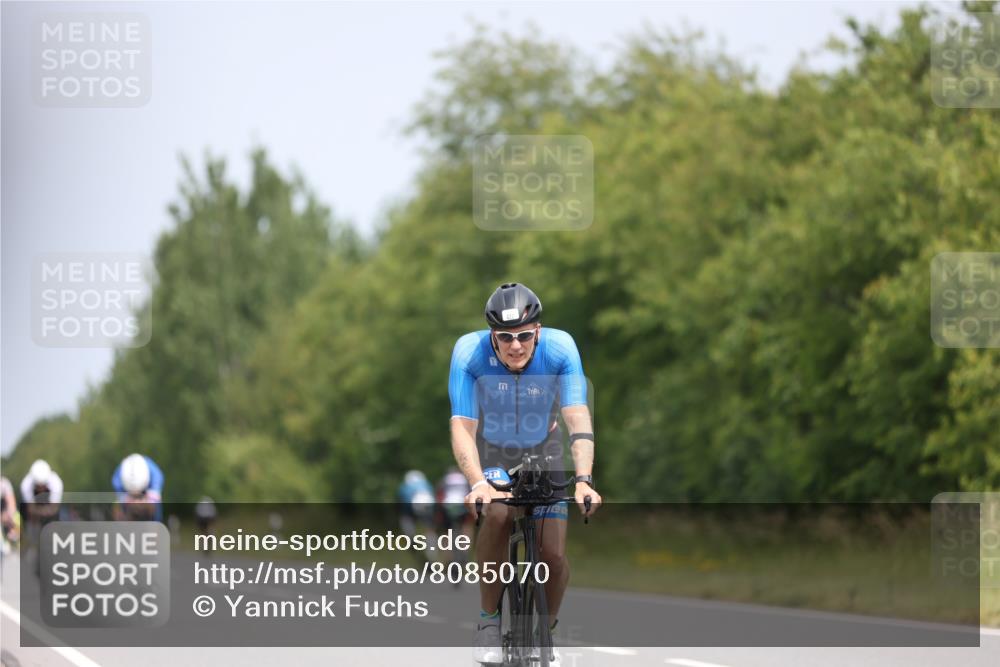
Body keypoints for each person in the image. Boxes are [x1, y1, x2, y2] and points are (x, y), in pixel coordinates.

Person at [449, 283, 603, 666]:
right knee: (499, 513)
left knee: (552, 554)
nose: (515, 346)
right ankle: (488, 621)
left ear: (537, 330)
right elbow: (462, 426)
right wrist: (477, 483)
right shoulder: (469, 353)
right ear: (492, 336)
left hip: (544, 448)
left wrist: (584, 478)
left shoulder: (559, 348)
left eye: (522, 335)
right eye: (504, 337)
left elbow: (576, 416)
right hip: (492, 451)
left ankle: (545, 630)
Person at [20, 459, 63, 574]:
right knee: (32, 527)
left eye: (43, 486)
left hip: (49, 507)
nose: (41, 488)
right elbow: (30, 509)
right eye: (38, 486)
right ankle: (33, 545)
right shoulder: (26, 484)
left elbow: (54, 508)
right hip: (33, 507)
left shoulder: (56, 483)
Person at [435, 466, 473, 578]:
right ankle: (465, 551)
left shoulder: (444, 480)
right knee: (467, 526)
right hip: (463, 506)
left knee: (446, 533)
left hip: (447, 506)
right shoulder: (465, 479)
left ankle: (449, 558)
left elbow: (438, 496)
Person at [112, 453, 164, 522]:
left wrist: (150, 500)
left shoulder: (154, 475)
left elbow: (155, 493)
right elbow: (119, 496)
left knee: (156, 508)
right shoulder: (118, 479)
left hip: (148, 493)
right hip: (127, 494)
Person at [397, 469, 436, 560]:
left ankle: (411, 538)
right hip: (428, 506)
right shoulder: (427, 485)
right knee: (429, 530)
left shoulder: (405, 486)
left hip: (409, 508)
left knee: (406, 520)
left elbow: (400, 502)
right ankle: (431, 555)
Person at [1, 476, 21, 554]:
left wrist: (9, 515)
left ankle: (15, 535)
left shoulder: (4, 483)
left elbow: (11, 503)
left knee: (16, 517)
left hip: (4, 511)